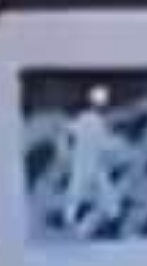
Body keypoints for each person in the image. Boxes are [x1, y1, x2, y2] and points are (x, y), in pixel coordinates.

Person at [55, 85, 131, 236]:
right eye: (101, 104)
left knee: (99, 188)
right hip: (85, 162)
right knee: (82, 189)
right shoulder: (89, 119)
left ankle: (113, 214)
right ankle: (111, 214)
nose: (103, 107)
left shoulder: (94, 120)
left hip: (91, 162)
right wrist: (119, 143)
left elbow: (101, 141)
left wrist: (64, 151)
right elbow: (103, 142)